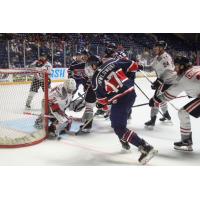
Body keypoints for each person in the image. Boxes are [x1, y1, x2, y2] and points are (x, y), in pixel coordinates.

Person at [86, 55, 157, 164]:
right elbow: (132, 65)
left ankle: (145, 147)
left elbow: (103, 101)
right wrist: (132, 76)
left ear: (94, 65)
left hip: (120, 100)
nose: (89, 69)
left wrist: (100, 105)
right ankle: (124, 140)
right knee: (115, 121)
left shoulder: (95, 80)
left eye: (89, 67)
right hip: (131, 94)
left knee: (118, 127)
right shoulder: (111, 62)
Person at [151, 56, 200, 151]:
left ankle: (186, 141)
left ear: (182, 66)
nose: (174, 68)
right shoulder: (196, 68)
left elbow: (168, 95)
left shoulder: (184, 79)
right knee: (183, 112)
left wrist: (155, 100)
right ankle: (186, 141)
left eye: (176, 66)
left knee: (182, 112)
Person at [142, 41, 177, 128]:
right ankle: (166, 115)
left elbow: (169, 71)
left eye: (157, 46)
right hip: (164, 80)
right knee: (161, 98)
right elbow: (150, 68)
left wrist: (159, 81)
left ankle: (152, 120)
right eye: (155, 46)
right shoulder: (158, 57)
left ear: (162, 48)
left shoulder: (165, 57)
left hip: (168, 81)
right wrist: (140, 67)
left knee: (155, 99)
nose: (155, 48)